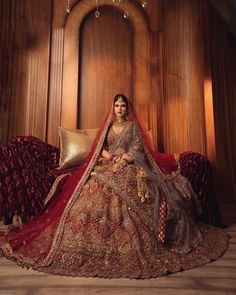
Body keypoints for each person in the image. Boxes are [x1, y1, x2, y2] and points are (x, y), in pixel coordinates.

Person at [0, 94, 228, 278]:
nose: (119, 109)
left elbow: (139, 149)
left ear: (127, 109)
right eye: (116, 105)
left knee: (130, 182)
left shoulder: (132, 128)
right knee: (93, 184)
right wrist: (110, 159)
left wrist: (125, 159)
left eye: (122, 106)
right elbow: (100, 148)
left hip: (130, 164)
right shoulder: (108, 128)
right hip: (109, 164)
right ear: (113, 108)